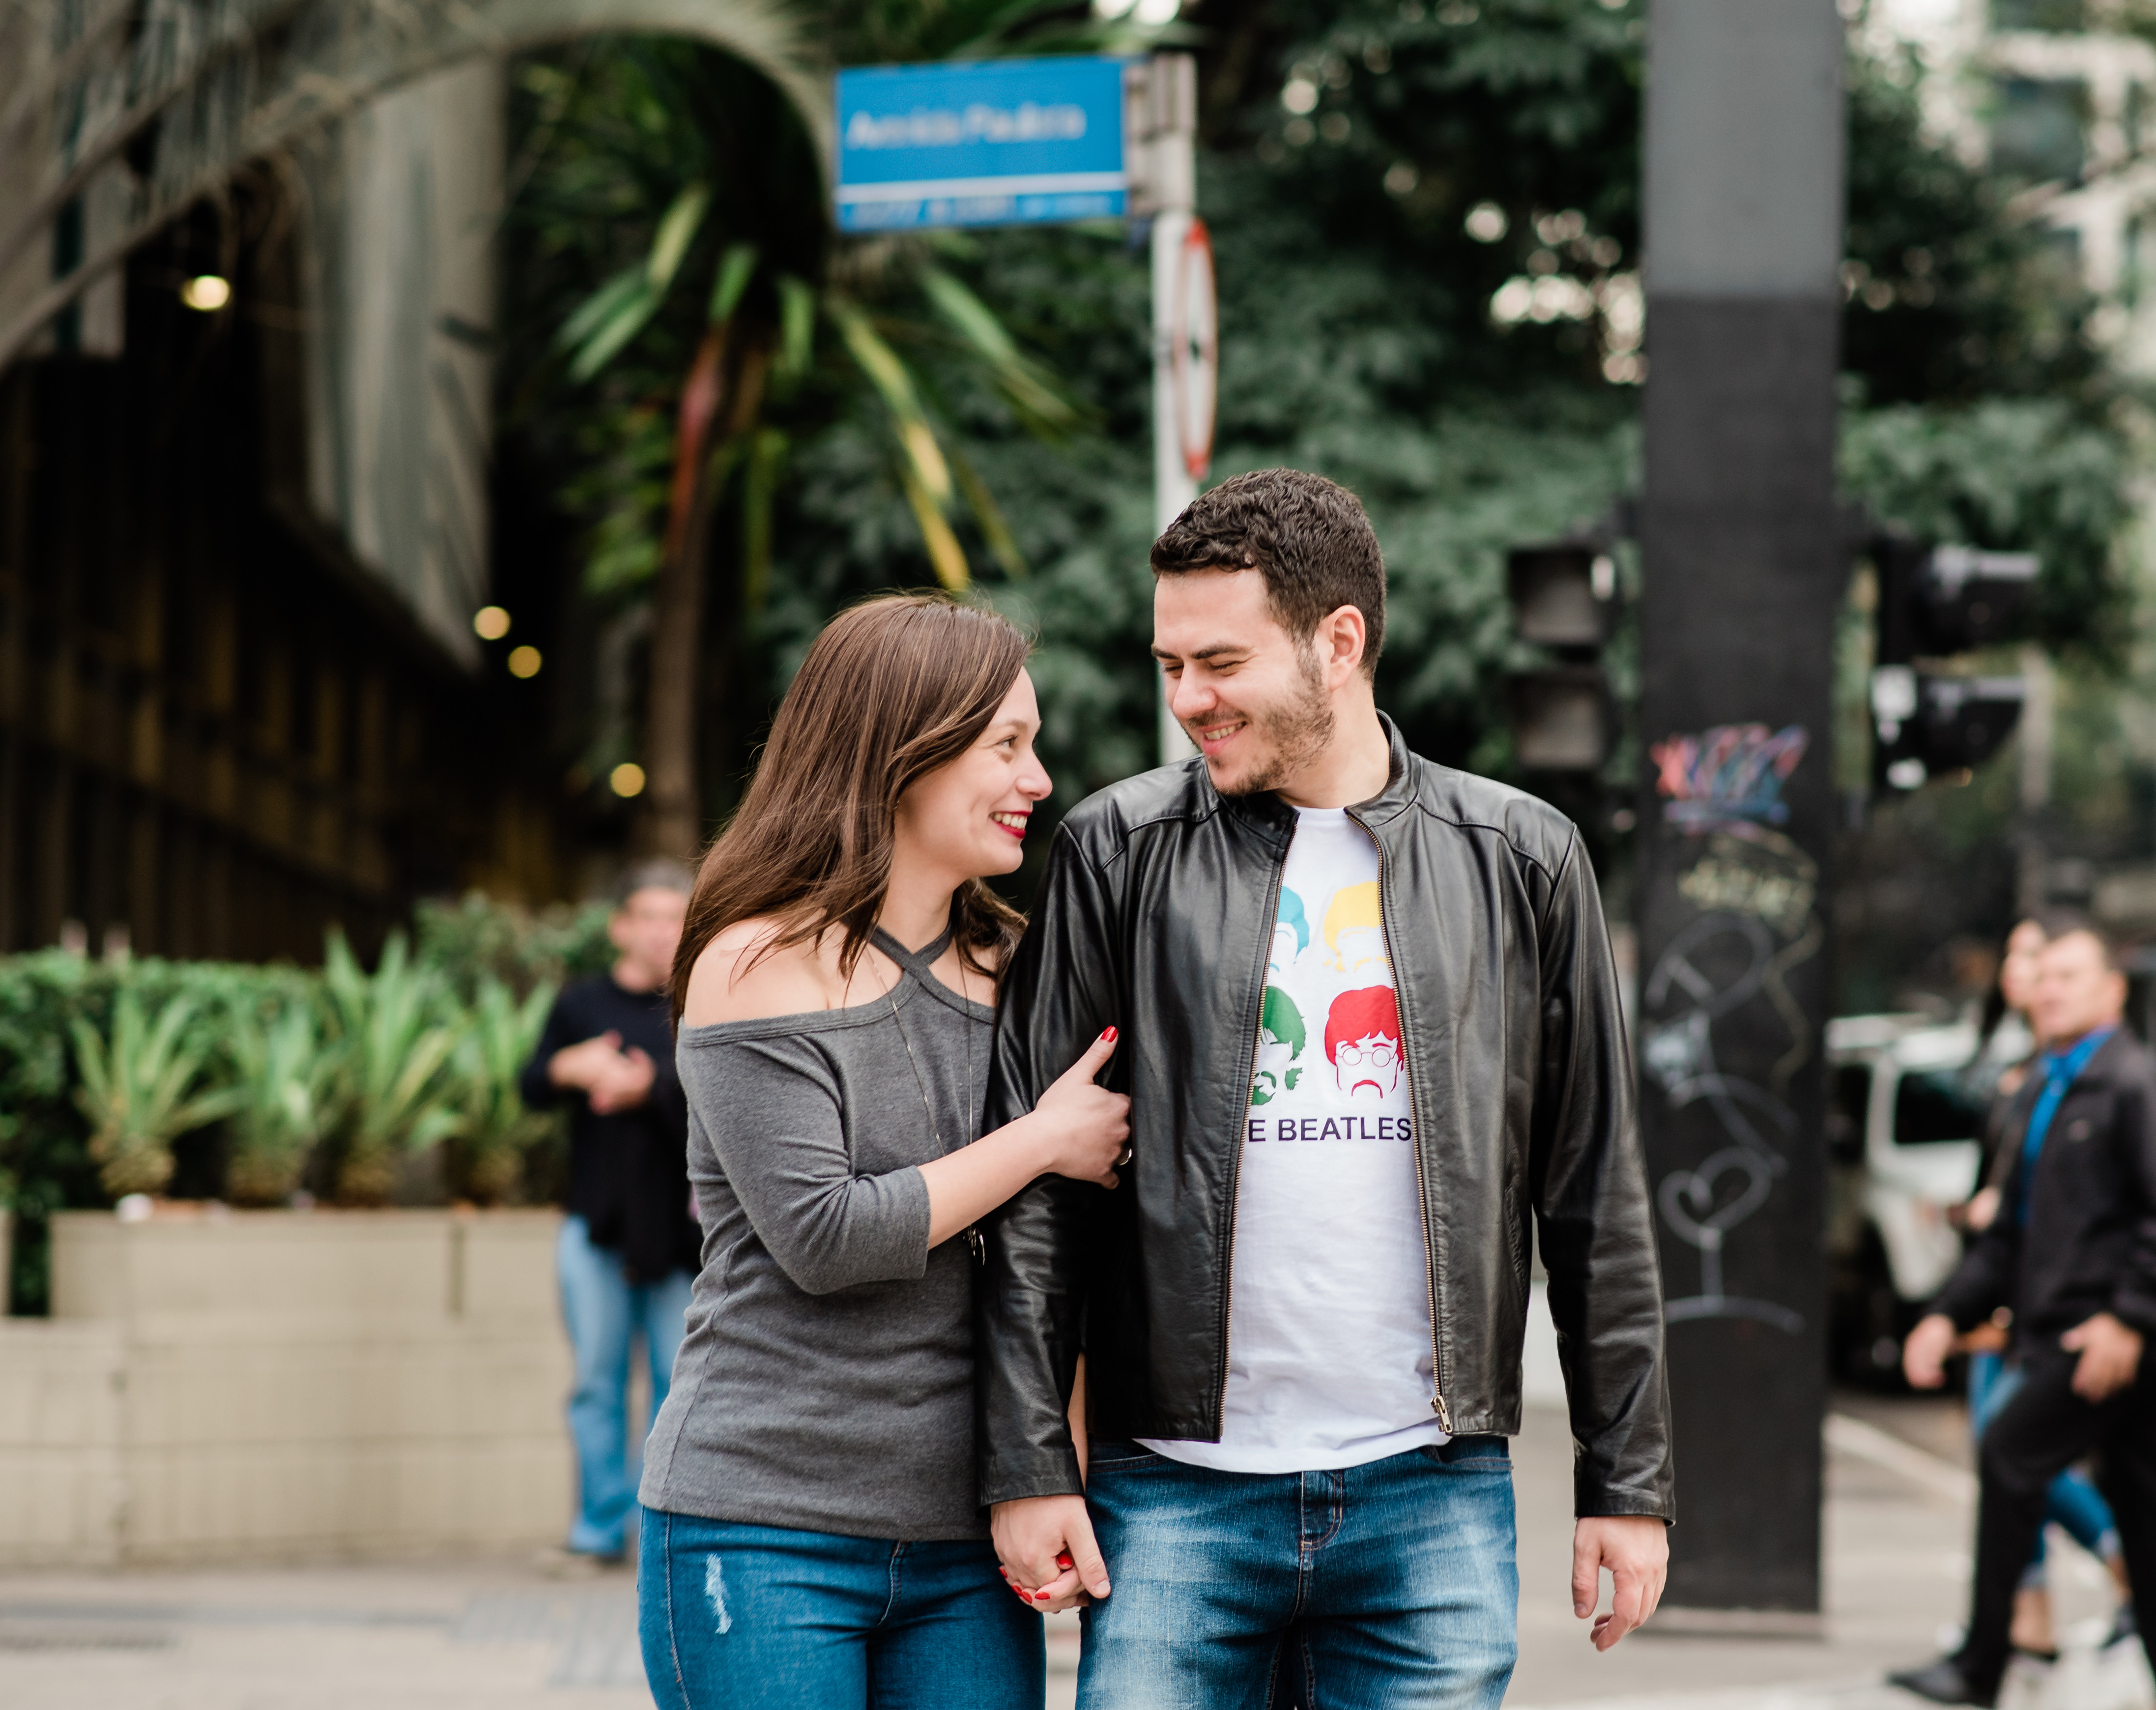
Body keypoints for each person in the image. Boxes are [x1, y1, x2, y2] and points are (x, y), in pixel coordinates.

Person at [979, 468, 1673, 1708]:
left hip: (1430, 1491)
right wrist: (1031, 1462)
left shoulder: (1519, 859)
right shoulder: (1115, 851)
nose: (1187, 699)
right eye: (1169, 664)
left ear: (1337, 641)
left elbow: (1592, 1195)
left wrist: (1625, 1486)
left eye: (1220, 663)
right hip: (1173, 1488)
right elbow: (1039, 1196)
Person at [635, 594, 1132, 1710]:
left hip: (968, 1541)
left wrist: (1063, 1469)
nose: (1038, 779)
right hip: (762, 1529)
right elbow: (828, 1236)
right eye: (1007, 745)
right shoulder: (757, 960)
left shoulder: (1019, 969)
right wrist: (1042, 1140)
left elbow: (1069, 1256)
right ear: (901, 752)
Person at [1889, 917, 2156, 1710]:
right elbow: (2009, 1233)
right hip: (2076, 1331)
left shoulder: (2136, 1084)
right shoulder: (2045, 1088)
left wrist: (2128, 1319)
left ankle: (1982, 1664)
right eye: (2044, 976)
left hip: (2108, 1338)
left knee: (2010, 1451)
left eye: (2070, 975)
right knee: (2152, 1514)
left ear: (2113, 992)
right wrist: (1946, 1315)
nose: (2050, 988)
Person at [1957, 918, 2131, 1667]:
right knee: (2000, 1452)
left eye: (2047, 961)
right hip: (2001, 1290)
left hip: (2040, 1306)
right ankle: (2027, 1613)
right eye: (2020, 956)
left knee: (2013, 1449)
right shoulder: (2022, 1069)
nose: (2027, 972)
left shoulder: (2077, 1074)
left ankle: (2127, 1568)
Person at [520, 862, 702, 1567]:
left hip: (680, 1236)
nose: (661, 932)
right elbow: (531, 1085)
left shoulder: (701, 1002)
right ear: (620, 926)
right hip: (594, 1227)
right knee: (596, 1383)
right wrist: (570, 1068)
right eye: (648, 916)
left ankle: (659, 1534)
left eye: (674, 917)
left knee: (674, 1387)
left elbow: (719, 1101)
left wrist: (647, 1084)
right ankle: (597, 1532)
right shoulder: (580, 1004)